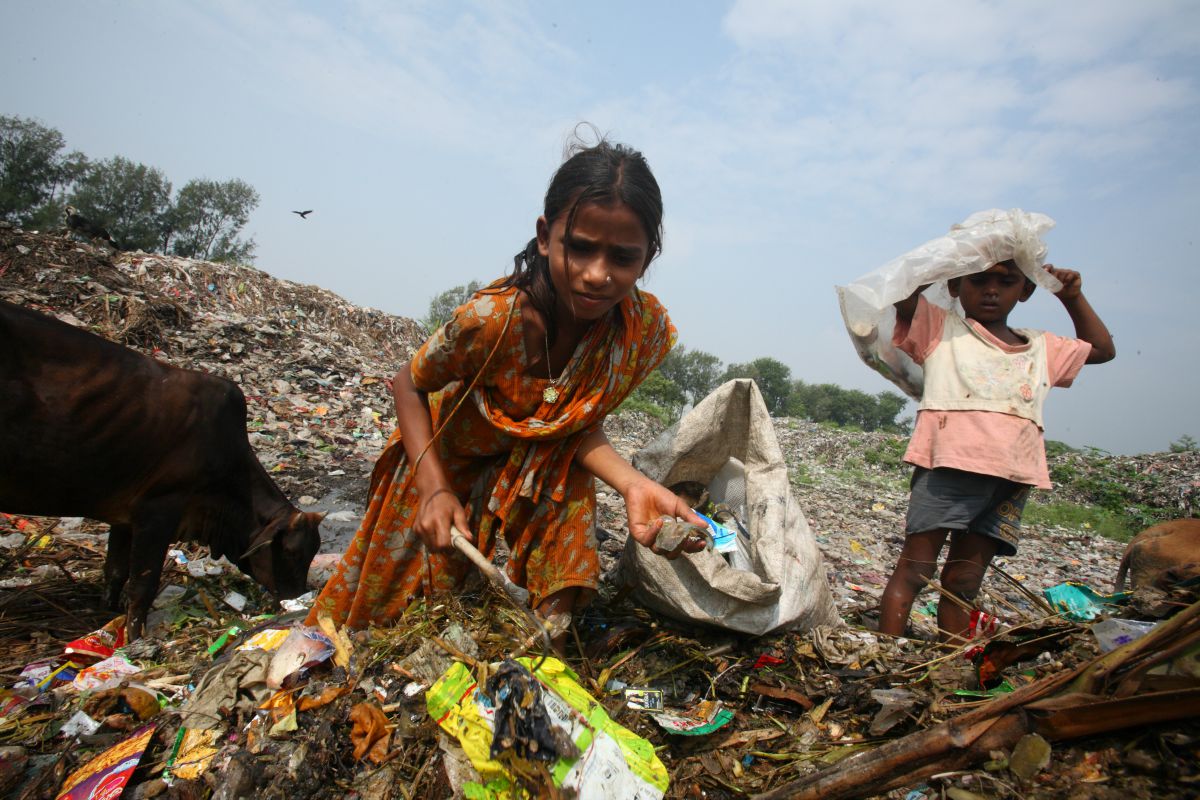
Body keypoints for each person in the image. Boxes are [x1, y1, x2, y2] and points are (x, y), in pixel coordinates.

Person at [307, 138, 706, 632]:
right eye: (579, 248)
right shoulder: (492, 320)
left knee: (555, 560)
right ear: (545, 236)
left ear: (647, 258)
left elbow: (568, 428)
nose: (596, 274)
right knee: (379, 619)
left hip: (534, 470)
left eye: (622, 258)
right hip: (441, 458)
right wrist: (432, 490)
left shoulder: (636, 330)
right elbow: (407, 385)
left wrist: (634, 484)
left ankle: (544, 643)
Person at [878, 259, 1116, 642]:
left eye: (1006, 282)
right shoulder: (941, 330)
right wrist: (947, 259)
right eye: (978, 280)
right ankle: (885, 654)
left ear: (1025, 291)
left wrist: (1072, 297)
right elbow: (901, 295)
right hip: (948, 468)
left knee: (964, 580)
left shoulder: (1041, 347)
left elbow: (1102, 349)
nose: (992, 290)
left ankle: (952, 662)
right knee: (915, 571)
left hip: (1012, 477)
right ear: (956, 286)